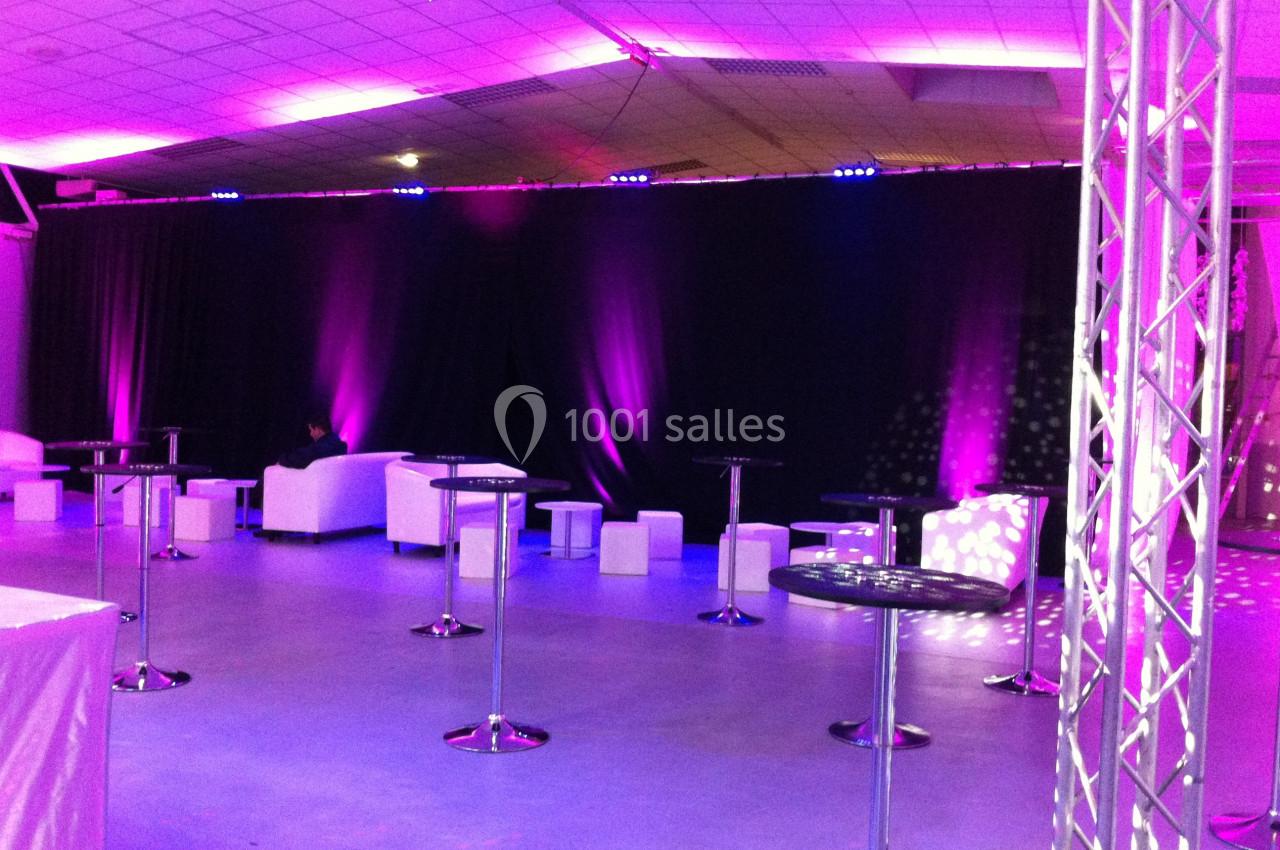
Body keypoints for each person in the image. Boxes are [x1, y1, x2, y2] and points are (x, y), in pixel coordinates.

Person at [278, 412, 348, 469]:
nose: (311, 434)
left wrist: (282, 459)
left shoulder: (322, 447)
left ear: (318, 429)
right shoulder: (339, 445)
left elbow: (302, 458)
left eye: (311, 430)